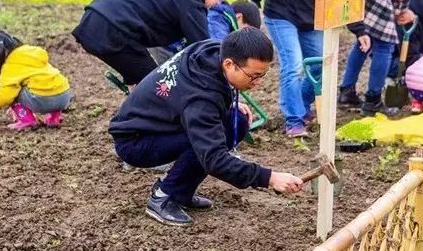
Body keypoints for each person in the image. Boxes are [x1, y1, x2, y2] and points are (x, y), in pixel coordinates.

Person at [109, 28, 303, 226]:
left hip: (159, 123)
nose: (258, 83)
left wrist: (228, 104)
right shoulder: (202, 100)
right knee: (208, 140)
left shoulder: (212, 50)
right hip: (136, 141)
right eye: (253, 76)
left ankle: (181, 192)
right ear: (229, 64)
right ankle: (164, 196)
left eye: (262, 75)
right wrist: (270, 178)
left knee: (236, 119)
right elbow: (215, 159)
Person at [249, 0, 361, 137]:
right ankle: (293, 120)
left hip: (311, 18)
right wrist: (255, 0)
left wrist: (360, 30)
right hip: (282, 14)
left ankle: (301, 104)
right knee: (294, 65)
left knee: (321, 62)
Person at [72, 0, 230, 87]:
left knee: (148, 81)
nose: (218, 3)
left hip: (94, 20)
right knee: (159, 85)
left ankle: (140, 112)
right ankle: (144, 120)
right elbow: (204, 49)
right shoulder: (191, 0)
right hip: (112, 28)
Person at [0, 30, 72, 130]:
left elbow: (5, 95)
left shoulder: (9, 66)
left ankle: (27, 120)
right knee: (48, 82)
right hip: (64, 96)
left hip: (43, 100)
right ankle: (54, 118)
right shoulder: (30, 51)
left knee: (12, 91)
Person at [152, 0, 262, 64]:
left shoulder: (222, 17)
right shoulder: (218, 19)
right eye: (246, 30)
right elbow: (215, 47)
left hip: (175, 47)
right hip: (167, 46)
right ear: (239, 17)